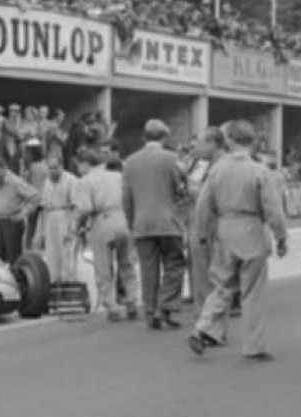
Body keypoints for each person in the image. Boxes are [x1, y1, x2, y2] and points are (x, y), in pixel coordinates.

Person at [187, 121, 288, 362]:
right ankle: (255, 345)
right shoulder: (259, 171)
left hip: (224, 228)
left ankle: (203, 327)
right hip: (251, 228)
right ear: (252, 142)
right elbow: (273, 209)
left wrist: (202, 233)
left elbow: (203, 205)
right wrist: (281, 236)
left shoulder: (217, 170)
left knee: (221, 284)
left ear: (229, 141)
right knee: (253, 291)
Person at [122, 119, 189, 331]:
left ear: (145, 137)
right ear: (164, 137)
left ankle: (150, 312)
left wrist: (132, 222)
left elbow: (126, 198)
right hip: (168, 221)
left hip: (142, 223)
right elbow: (182, 185)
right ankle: (165, 305)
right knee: (174, 264)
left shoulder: (130, 162)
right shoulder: (171, 158)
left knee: (148, 269)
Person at [72, 147, 136, 322]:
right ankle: (132, 301)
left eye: (79, 165)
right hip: (123, 218)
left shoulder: (85, 181)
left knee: (103, 267)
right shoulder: (118, 176)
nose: (78, 169)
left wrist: (77, 226)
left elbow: (85, 208)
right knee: (127, 264)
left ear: (85, 163)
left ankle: (112, 305)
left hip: (102, 220)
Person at [184, 128, 226, 304]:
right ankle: (203, 308)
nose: (196, 148)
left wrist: (196, 191)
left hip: (217, 225)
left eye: (200, 144)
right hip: (198, 221)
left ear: (212, 143)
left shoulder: (224, 166)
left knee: (216, 272)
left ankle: (212, 311)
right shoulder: (199, 164)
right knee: (200, 269)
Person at [37, 144, 79, 281]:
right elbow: (43, 207)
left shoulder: (71, 180)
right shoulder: (47, 182)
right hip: (50, 218)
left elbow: (75, 205)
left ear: (61, 166)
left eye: (55, 168)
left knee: (66, 252)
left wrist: (72, 226)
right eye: (50, 168)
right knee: (51, 251)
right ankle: (54, 279)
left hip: (64, 216)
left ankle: (69, 281)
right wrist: (41, 231)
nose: (52, 171)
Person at [0, 158, 39, 263]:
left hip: (13, 221)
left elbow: (36, 196)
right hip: (1, 221)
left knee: (13, 256)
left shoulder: (15, 181)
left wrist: (23, 213)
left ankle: (17, 278)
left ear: (4, 169)